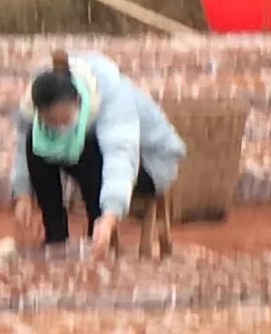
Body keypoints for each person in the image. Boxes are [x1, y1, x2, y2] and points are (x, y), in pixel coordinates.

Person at [12, 51, 189, 254]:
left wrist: (108, 218)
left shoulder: (112, 97)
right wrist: (23, 194)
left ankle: (95, 234)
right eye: (51, 122)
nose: (59, 127)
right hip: (87, 153)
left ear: (78, 101)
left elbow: (120, 158)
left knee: (92, 152)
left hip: (148, 162)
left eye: (64, 120)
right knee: (34, 143)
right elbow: (23, 143)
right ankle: (56, 235)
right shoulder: (36, 99)